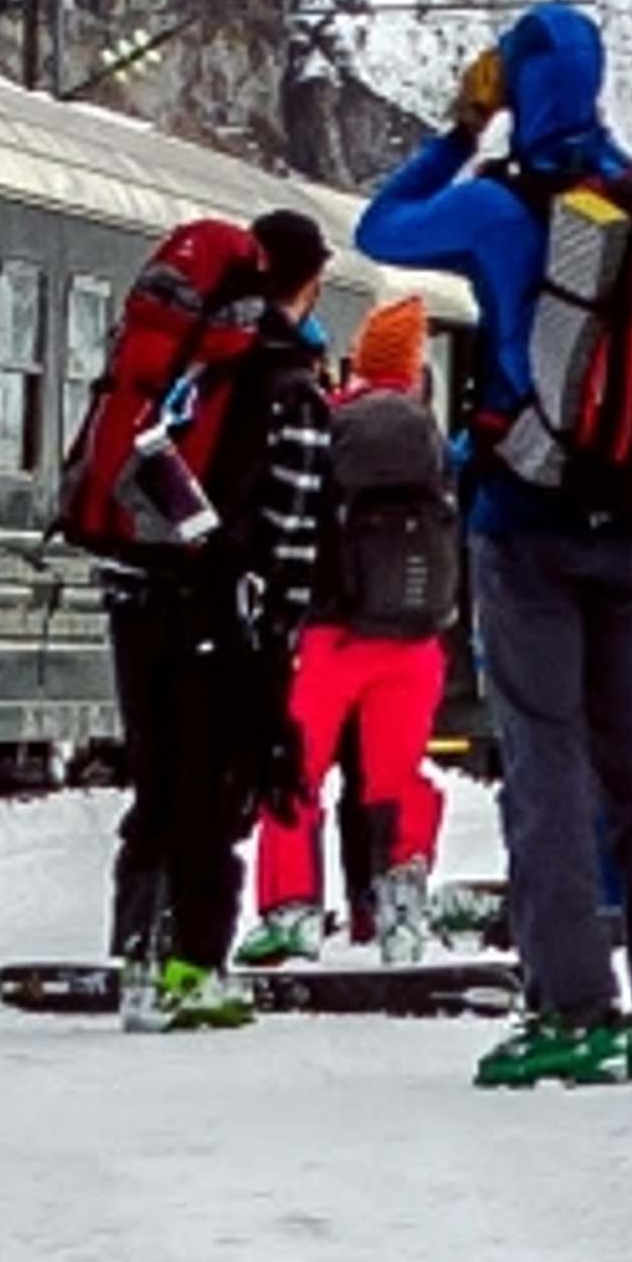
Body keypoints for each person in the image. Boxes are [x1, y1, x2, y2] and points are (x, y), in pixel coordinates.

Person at [354, 6, 632, 1090]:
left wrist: (463, 127)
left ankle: (570, 1004)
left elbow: (381, 228)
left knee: (547, 766)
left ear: (512, 83)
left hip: (528, 516)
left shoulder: (499, 205)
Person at [103, 207, 334, 1033]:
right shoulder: (294, 388)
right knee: (216, 790)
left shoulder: (181, 366)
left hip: (137, 594)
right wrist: (279, 639)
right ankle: (193, 969)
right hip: (228, 612)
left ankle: (134, 958)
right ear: (306, 283)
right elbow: (294, 533)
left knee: (157, 783)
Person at [238, 295, 458, 974]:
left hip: (332, 640)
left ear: (359, 366)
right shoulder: (431, 442)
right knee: (396, 780)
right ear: (417, 371)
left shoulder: (334, 424)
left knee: (297, 776)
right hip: (415, 644)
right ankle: (399, 913)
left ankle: (292, 914)